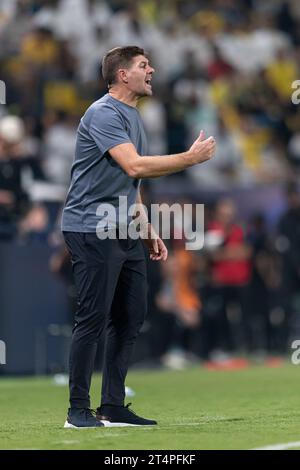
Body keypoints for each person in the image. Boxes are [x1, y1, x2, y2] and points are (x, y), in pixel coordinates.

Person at [61, 46, 216, 428]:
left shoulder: (133, 116)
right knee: (93, 319)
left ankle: (112, 405)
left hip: (124, 228)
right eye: (144, 65)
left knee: (131, 316)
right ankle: (77, 410)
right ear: (122, 75)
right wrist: (189, 159)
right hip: (91, 227)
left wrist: (146, 229)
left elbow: (133, 183)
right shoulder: (102, 113)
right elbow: (134, 164)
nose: (152, 70)